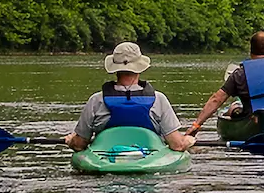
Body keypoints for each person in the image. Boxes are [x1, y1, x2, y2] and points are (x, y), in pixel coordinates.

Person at [65, 42, 194, 152]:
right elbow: (177, 145)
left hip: (106, 157)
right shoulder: (158, 99)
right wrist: (188, 140)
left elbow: (79, 144)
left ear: (115, 69)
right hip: (148, 157)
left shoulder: (96, 100)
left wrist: (71, 140)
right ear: (140, 68)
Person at [186, 31, 264, 137]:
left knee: (233, 108)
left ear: (251, 49)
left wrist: (197, 125)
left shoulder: (239, 73)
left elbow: (216, 99)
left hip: (253, 119)